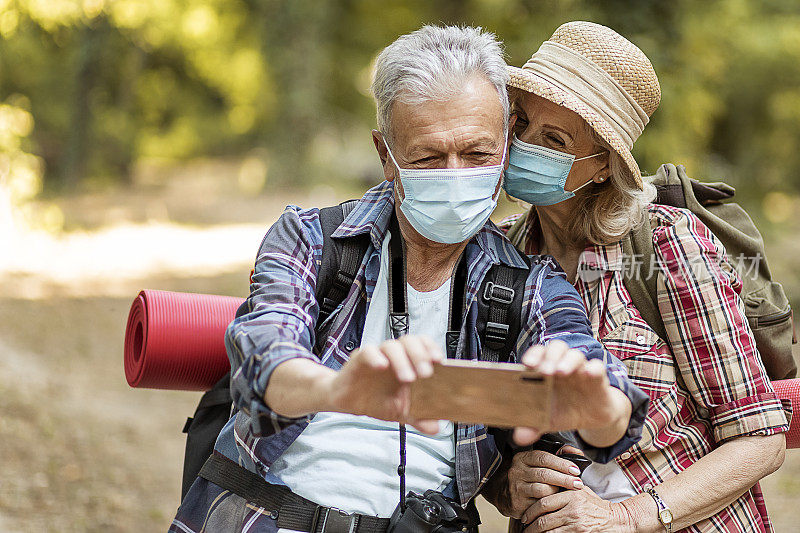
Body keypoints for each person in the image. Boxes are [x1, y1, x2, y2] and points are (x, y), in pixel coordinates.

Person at [170, 25, 648, 533]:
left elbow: (612, 409)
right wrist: (338, 389)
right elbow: (265, 366)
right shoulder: (312, 239)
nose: (456, 173)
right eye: (428, 157)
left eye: (479, 153)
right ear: (386, 155)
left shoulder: (531, 285)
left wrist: (595, 403)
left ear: (506, 147)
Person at [483, 21, 791, 533]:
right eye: (519, 125)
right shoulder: (497, 258)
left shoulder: (666, 245)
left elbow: (760, 439)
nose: (523, 147)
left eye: (554, 140)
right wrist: (507, 483)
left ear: (603, 164)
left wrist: (629, 515)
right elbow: (484, 430)